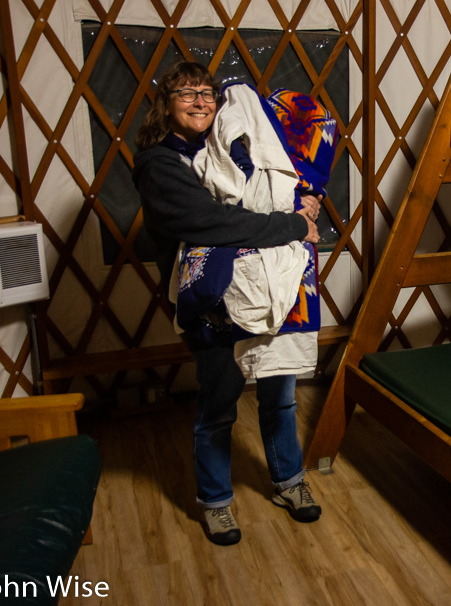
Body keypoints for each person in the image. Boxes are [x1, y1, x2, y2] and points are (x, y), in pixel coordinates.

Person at [132, 61, 323, 546]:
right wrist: (294, 225)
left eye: (207, 93)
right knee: (219, 403)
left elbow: (289, 178)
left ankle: (289, 481)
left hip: (269, 288)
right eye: (185, 94)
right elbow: (213, 224)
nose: (200, 101)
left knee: (279, 393)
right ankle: (216, 502)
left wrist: (304, 200)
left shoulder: (237, 147)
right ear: (166, 105)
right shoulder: (160, 164)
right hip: (212, 297)